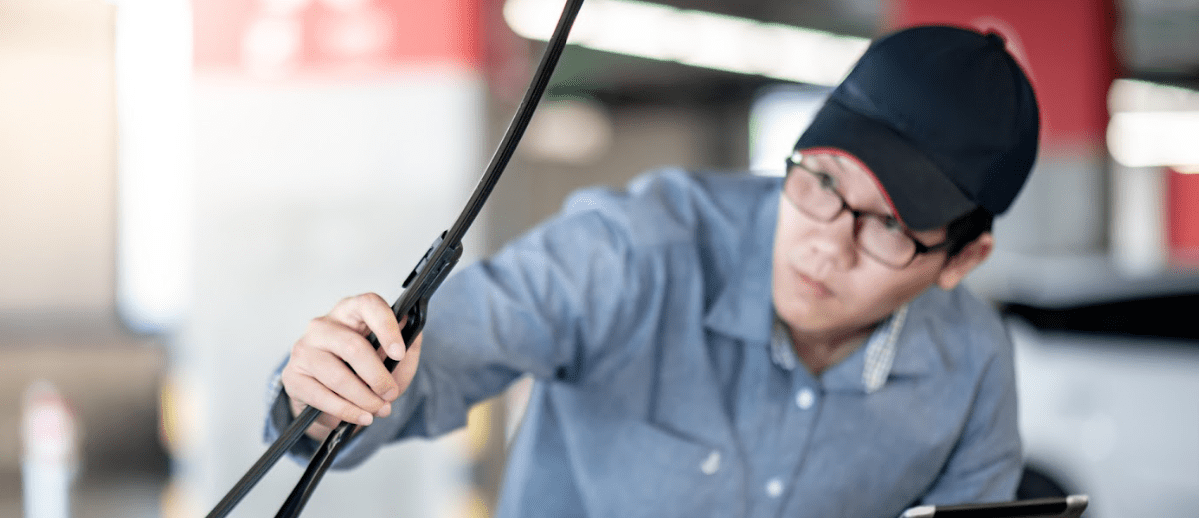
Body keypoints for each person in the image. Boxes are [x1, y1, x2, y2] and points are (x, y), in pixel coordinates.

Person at [265, 25, 1041, 517]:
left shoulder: (971, 367)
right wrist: (333, 389)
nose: (825, 246)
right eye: (822, 183)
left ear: (962, 260)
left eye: (889, 229)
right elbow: (442, 358)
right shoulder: (634, 251)